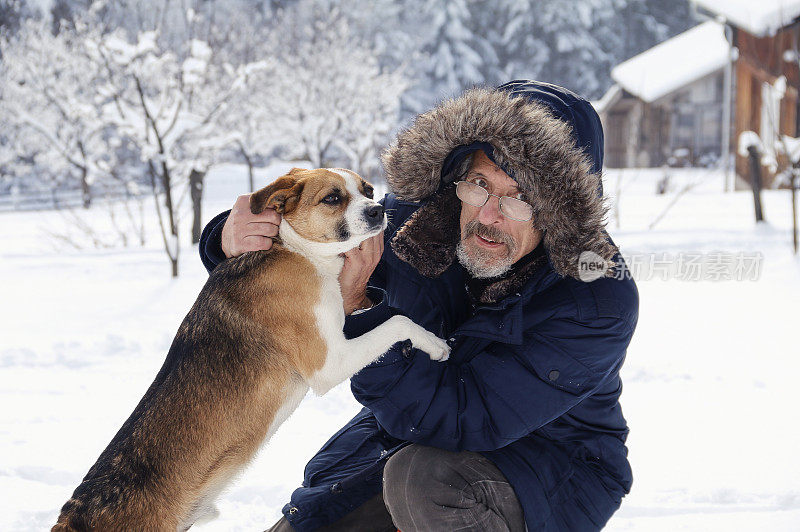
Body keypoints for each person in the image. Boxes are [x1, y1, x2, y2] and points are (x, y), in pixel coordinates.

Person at [199, 80, 639, 531]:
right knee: (316, 519)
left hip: (552, 468)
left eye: (520, 199)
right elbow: (319, 235)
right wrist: (235, 241)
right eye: (480, 185)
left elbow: (464, 419)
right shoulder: (420, 226)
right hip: (413, 441)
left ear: (558, 212)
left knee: (422, 480)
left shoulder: (595, 299)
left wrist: (357, 308)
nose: (489, 215)